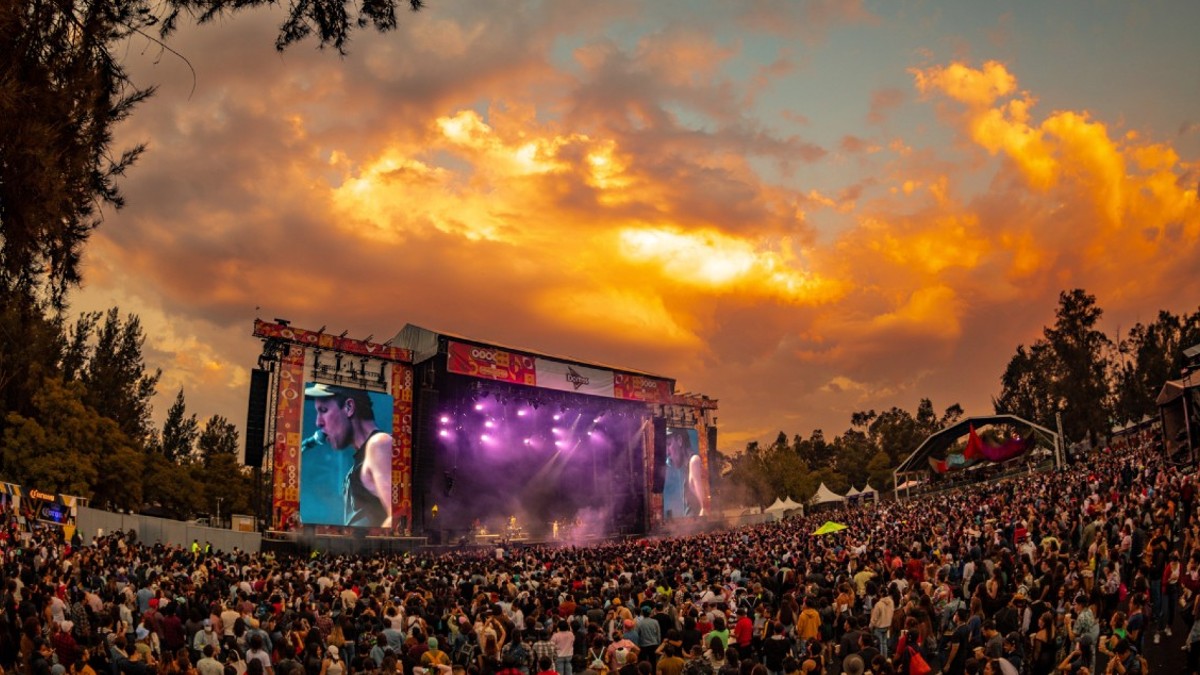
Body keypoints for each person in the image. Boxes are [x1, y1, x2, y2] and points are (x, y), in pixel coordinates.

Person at [306, 383, 393, 528]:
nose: (318, 422)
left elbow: (395, 516)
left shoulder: (379, 444)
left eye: (323, 410)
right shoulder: (363, 459)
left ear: (349, 407)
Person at [662, 431, 708, 518]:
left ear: (679, 440)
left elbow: (704, 507)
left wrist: (700, 526)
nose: (667, 452)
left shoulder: (694, 461)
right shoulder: (688, 467)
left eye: (668, 444)